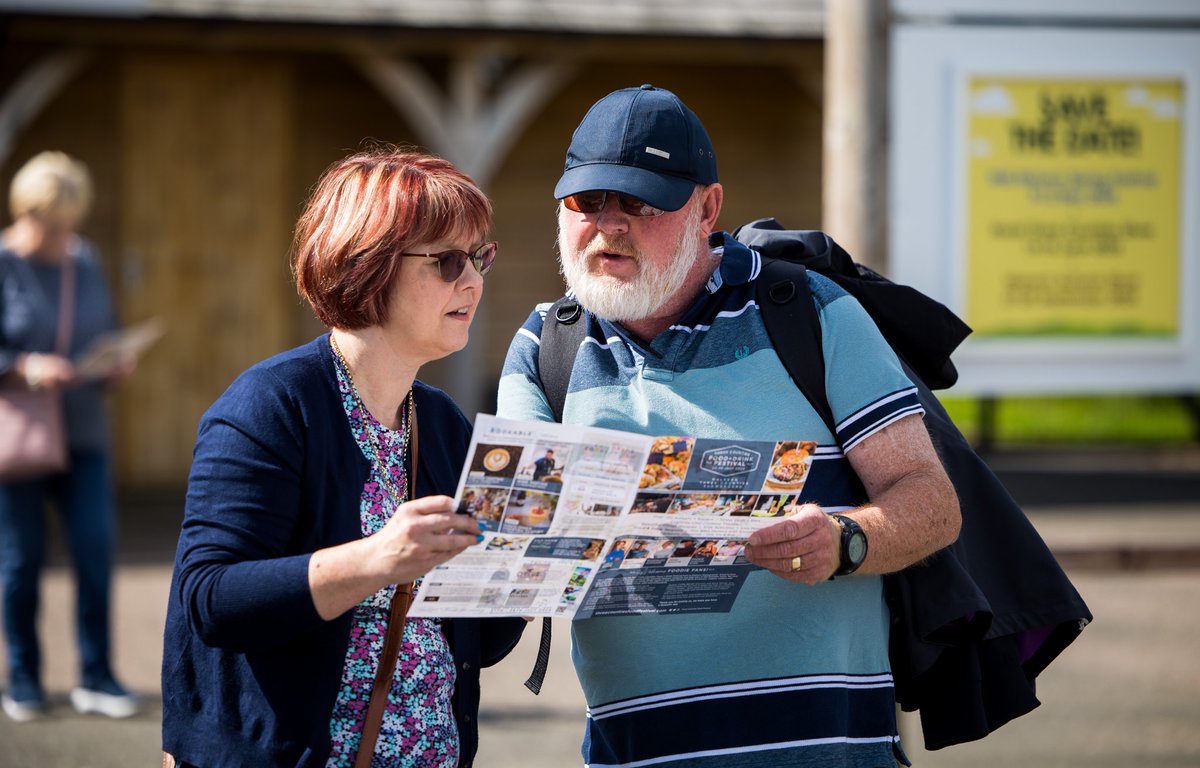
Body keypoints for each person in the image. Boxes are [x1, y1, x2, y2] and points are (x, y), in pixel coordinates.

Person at [496, 85, 961, 766]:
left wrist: (845, 542)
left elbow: (932, 502)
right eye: (586, 202)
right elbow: (519, 533)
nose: (609, 224)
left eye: (640, 202)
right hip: (636, 755)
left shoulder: (809, 312)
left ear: (707, 207)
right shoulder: (546, 343)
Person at [161, 147, 526, 768]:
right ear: (369, 268)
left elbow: (478, 643)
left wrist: (534, 560)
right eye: (447, 261)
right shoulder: (269, 405)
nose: (473, 281)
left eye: (479, 257)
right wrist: (377, 558)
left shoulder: (440, 422)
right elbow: (212, 600)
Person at [0, 151, 141, 722]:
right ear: (24, 211)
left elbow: (99, 328)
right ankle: (24, 679)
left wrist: (112, 362)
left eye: (69, 225)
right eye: (50, 225)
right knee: (20, 559)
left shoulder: (84, 261)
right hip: (21, 440)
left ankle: (97, 675)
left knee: (95, 551)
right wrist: (28, 367)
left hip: (83, 431)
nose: (62, 236)